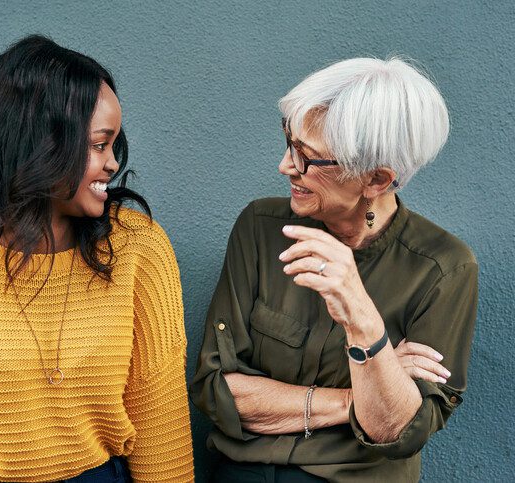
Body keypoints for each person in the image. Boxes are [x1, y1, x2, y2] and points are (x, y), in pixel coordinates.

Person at [0, 35, 194, 482]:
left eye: (114, 146)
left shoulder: (137, 248)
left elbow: (163, 431)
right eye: (99, 145)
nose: (111, 165)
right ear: (39, 145)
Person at [190, 57, 478, 482]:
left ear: (377, 180)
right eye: (290, 143)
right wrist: (356, 398)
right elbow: (218, 390)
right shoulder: (261, 228)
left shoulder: (444, 271)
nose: (287, 166)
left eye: (309, 158)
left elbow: (394, 430)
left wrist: (359, 311)